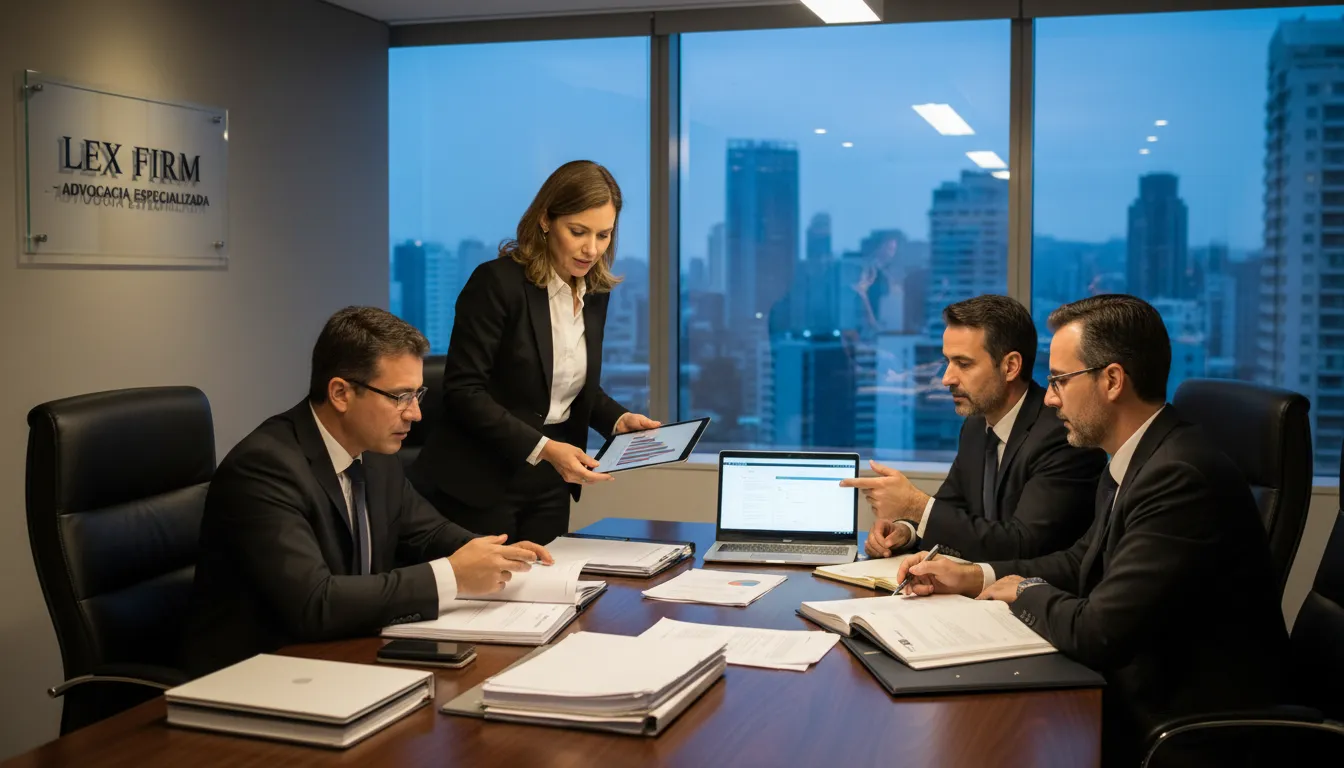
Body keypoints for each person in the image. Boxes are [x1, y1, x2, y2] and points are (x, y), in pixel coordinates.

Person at [894, 294, 1287, 763]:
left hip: (1186, 727)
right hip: (1133, 690)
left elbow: (1099, 632)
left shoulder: (1178, 477)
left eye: (1060, 380)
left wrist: (1024, 591)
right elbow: (1081, 560)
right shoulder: (1135, 457)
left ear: (1113, 380)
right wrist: (976, 576)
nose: (1050, 397)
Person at [184, 307, 553, 675]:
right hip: (258, 672)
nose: (415, 413)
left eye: (417, 394)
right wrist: (452, 575)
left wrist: (494, 555)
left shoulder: (373, 451)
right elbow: (314, 602)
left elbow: (427, 531)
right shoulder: (265, 468)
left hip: (343, 653)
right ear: (341, 393)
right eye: (400, 396)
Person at [408, 160, 659, 545]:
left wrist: (618, 420)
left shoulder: (593, 293)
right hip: (480, 479)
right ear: (545, 220)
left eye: (604, 235)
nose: (592, 249)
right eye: (578, 232)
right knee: (493, 583)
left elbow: (566, 384)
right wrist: (544, 448)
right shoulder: (496, 283)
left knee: (552, 581)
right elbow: (463, 391)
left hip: (551, 480)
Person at [843, 295, 1105, 562]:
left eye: (964, 364)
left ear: (1010, 366)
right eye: (947, 362)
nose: (947, 379)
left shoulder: (1063, 434)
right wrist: (906, 531)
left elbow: (1023, 545)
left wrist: (914, 506)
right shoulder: (976, 425)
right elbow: (952, 509)